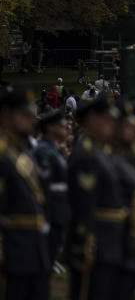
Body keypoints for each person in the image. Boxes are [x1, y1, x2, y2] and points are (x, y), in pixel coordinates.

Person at [67, 93, 124, 300]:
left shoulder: (100, 153)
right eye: (107, 118)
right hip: (95, 246)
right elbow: (84, 205)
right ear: (91, 120)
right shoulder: (87, 155)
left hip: (107, 243)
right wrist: (82, 248)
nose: (112, 124)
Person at [0, 86, 51, 300]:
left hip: (33, 250)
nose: (31, 120)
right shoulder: (3, 157)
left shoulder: (20, 155)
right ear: (6, 116)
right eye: (25, 115)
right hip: (13, 253)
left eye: (32, 115)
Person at [31, 109, 70, 268]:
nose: (67, 128)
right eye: (62, 125)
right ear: (51, 128)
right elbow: (44, 189)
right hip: (51, 216)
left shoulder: (53, 150)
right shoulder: (43, 152)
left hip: (57, 215)